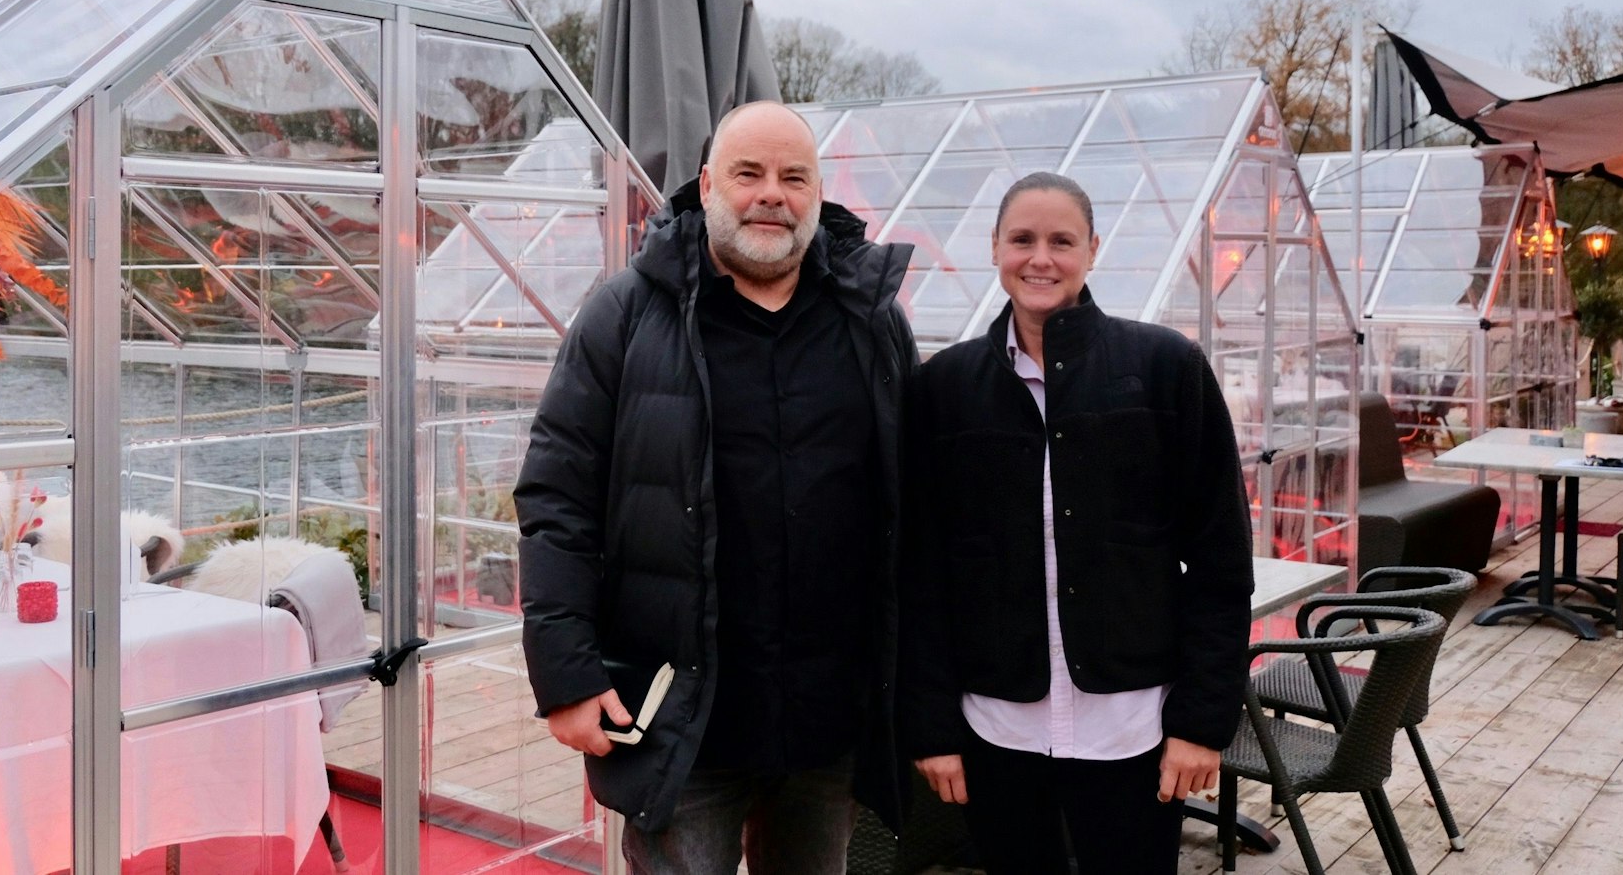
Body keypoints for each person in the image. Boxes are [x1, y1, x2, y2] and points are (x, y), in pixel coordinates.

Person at [515, 101, 919, 874]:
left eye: (794, 177)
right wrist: (566, 671)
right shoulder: (627, 314)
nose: (773, 193)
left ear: (818, 193)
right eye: (750, 174)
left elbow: (914, 501)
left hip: (828, 717)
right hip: (685, 717)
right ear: (707, 186)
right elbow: (556, 496)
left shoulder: (870, 321)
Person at [899, 171, 1253, 873]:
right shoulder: (944, 388)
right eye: (1022, 239)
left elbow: (1219, 561)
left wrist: (1200, 724)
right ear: (993, 248)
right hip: (996, 730)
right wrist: (931, 726)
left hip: (1133, 730)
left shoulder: (1164, 369)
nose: (1041, 258)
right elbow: (920, 572)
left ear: (1093, 249)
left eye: (1062, 241)